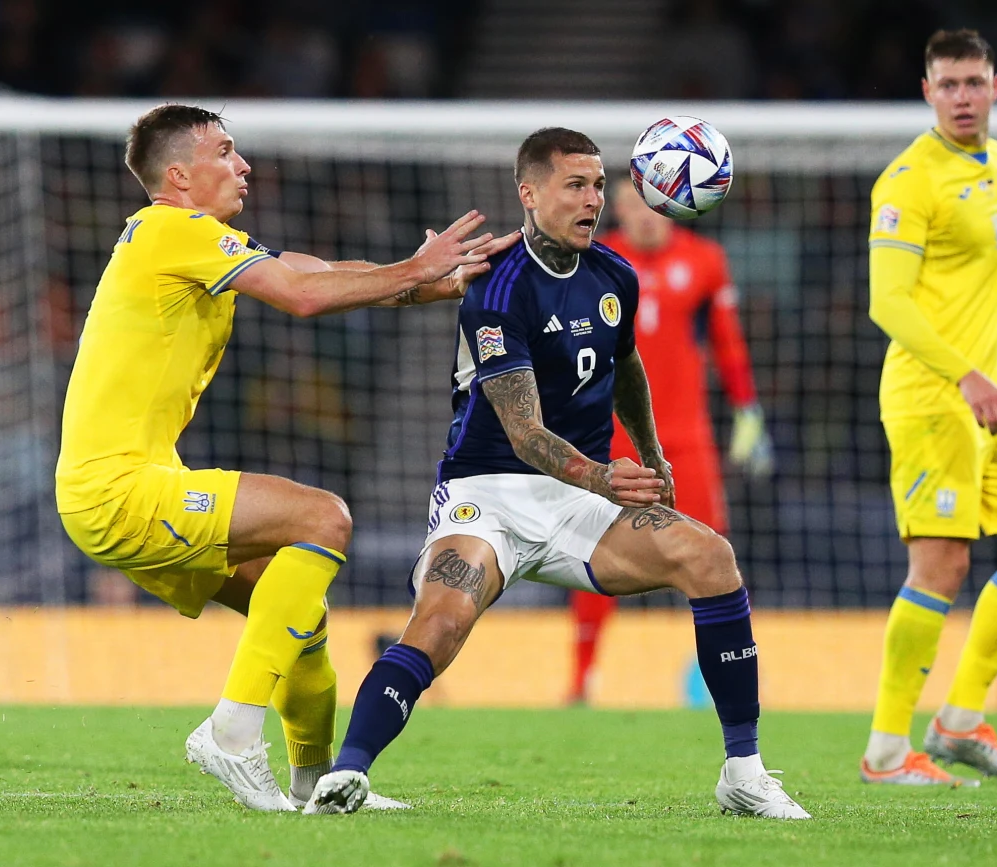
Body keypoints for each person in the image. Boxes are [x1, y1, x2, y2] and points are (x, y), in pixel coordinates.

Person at [305, 127, 810, 820]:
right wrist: (605, 477)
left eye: (599, 185)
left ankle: (744, 771)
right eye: (575, 185)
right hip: (490, 494)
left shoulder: (614, 276)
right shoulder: (499, 289)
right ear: (530, 193)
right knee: (442, 621)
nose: (593, 199)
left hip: (579, 500)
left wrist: (653, 450)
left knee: (711, 557)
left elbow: (623, 363)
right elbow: (524, 431)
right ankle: (348, 773)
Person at [55, 104, 517, 812]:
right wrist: (414, 267)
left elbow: (313, 269)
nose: (243, 166)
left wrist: (431, 282)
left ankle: (317, 782)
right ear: (178, 175)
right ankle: (233, 732)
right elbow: (301, 295)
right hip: (119, 488)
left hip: (125, 487)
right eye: (226, 152)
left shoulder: (198, 244)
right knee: (322, 518)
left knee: (296, 610)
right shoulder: (168, 230)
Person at [861, 30, 997, 785]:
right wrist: (967, 375)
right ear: (926, 91)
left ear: (996, 86)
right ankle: (886, 749)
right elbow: (889, 300)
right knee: (942, 562)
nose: (962, 97)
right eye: (947, 85)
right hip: (930, 394)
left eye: (974, 82)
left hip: (986, 392)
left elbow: (975, 287)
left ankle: (958, 720)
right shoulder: (909, 181)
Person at [566, 179, 773, 703]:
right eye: (635, 205)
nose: (646, 216)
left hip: (687, 440)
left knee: (711, 553)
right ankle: (582, 679)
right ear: (618, 209)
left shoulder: (705, 261)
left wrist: (748, 410)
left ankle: (725, 673)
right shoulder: (596, 257)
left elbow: (727, 343)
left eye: (655, 205)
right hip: (608, 441)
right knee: (593, 554)